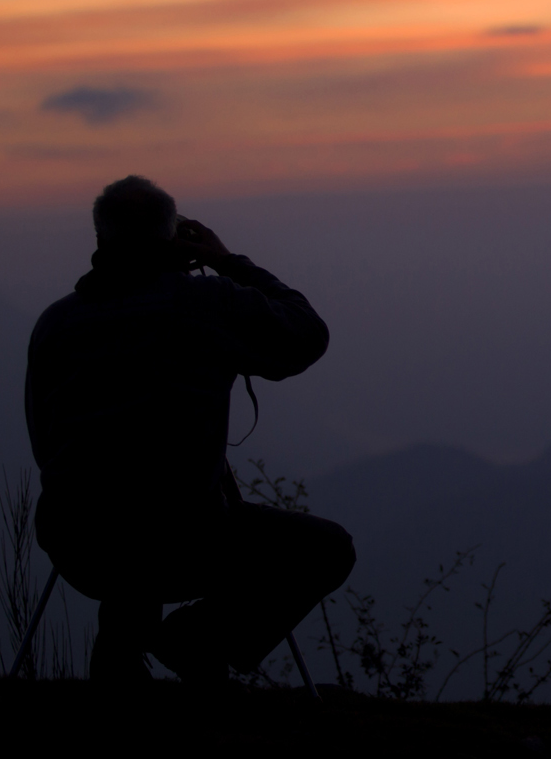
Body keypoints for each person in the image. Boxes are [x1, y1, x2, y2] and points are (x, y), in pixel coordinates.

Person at [25, 175, 354, 685]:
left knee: (130, 507)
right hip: (180, 545)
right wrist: (225, 259)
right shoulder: (208, 304)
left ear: (99, 240)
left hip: (76, 543)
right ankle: (193, 641)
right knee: (326, 549)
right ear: (173, 238)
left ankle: (119, 659)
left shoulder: (55, 323)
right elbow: (306, 333)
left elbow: (43, 443)